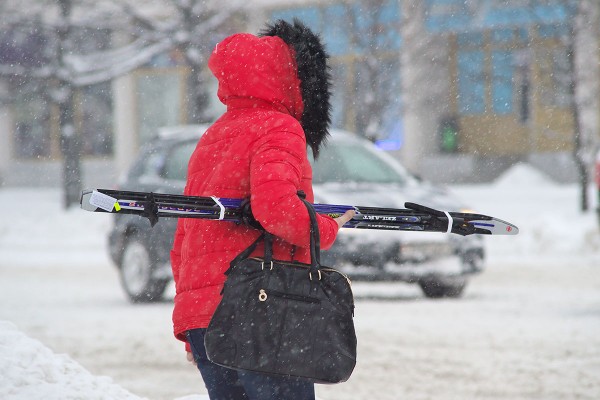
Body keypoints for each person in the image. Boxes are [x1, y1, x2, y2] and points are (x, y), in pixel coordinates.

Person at [169, 19, 355, 400]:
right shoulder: (278, 127)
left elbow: (186, 235)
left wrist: (193, 328)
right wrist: (327, 227)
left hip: (209, 319)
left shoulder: (215, 134)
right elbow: (275, 209)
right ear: (292, 78)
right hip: (262, 309)